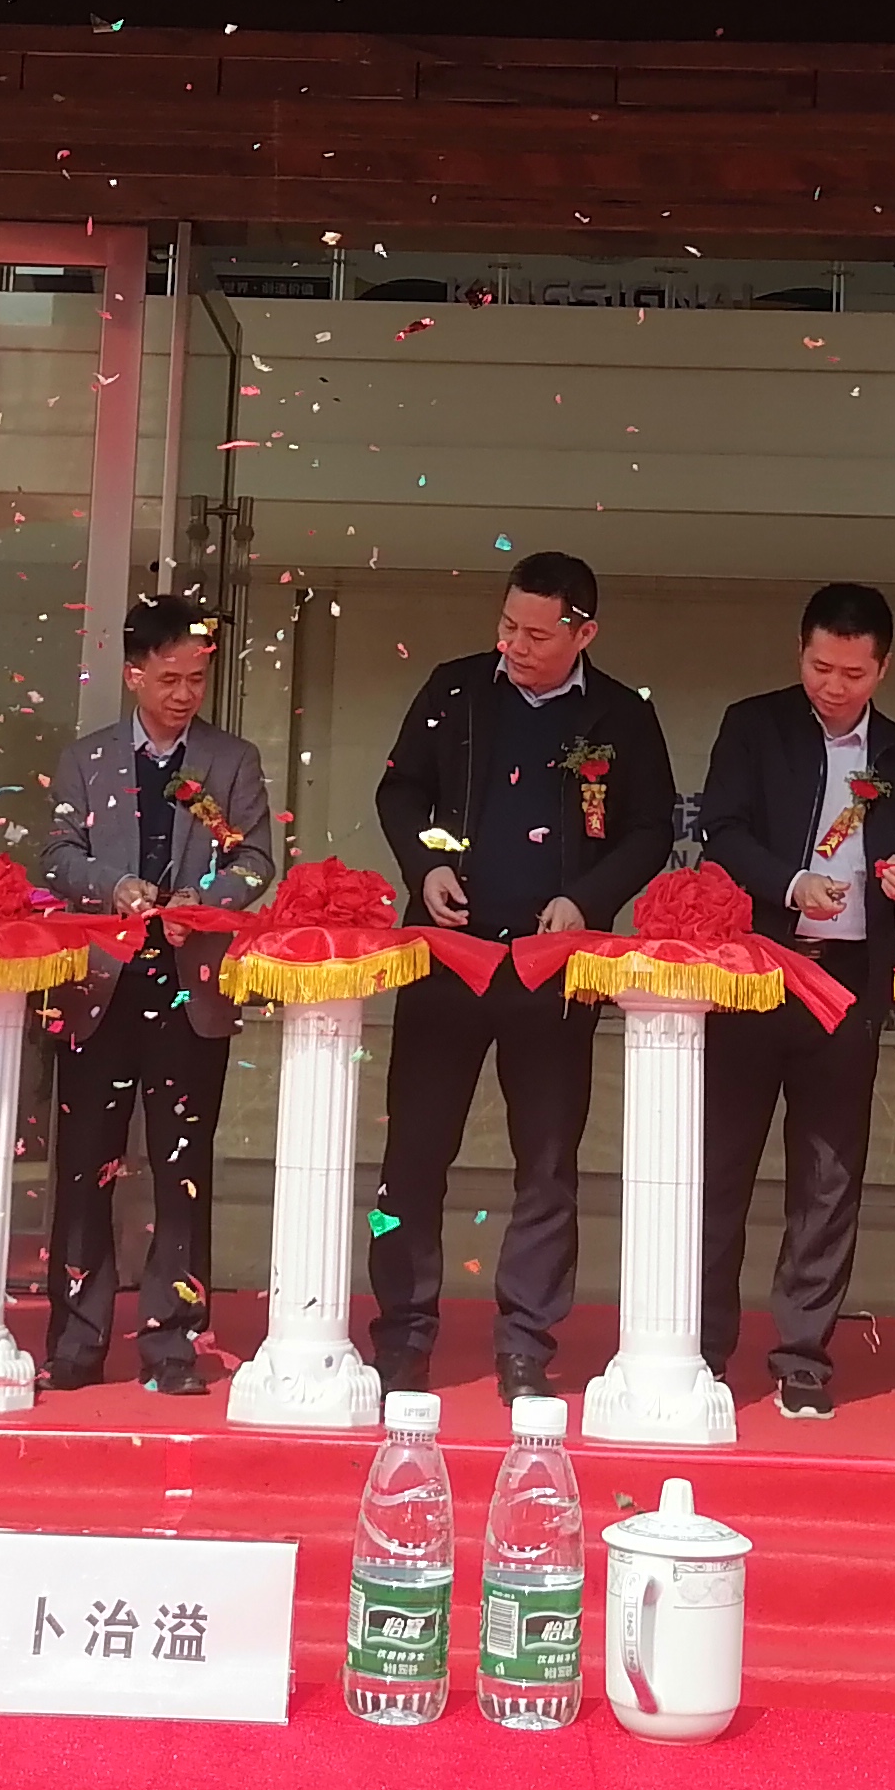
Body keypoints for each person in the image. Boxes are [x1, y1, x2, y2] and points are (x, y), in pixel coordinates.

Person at [368, 550, 675, 1404]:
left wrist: (588, 899)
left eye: (538, 634)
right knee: (413, 1152)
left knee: (546, 1161)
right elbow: (400, 792)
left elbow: (650, 829)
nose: (516, 646)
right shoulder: (457, 689)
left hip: (553, 964)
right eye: (507, 626)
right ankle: (402, 1335)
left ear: (585, 633)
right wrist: (426, 866)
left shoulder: (620, 716)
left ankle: (526, 1343)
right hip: (448, 954)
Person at [694, 581, 895, 1420]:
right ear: (800, 652)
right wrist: (791, 883)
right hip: (756, 970)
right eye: (820, 667)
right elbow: (722, 831)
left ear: (883, 669)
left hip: (847, 980)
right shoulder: (754, 726)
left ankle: (803, 1355)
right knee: (720, 1163)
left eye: (853, 673)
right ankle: (701, 1347)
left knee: (830, 1174)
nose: (833, 686)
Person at [35, 593, 276, 1395]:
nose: (183, 694)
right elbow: (56, 856)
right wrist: (115, 887)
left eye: (196, 680)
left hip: (188, 984)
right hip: (100, 985)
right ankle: (77, 1339)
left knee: (182, 1168)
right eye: (168, 678)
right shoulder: (86, 759)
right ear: (133, 673)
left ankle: (173, 1341)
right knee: (85, 1167)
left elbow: (255, 862)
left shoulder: (231, 761)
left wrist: (204, 905)